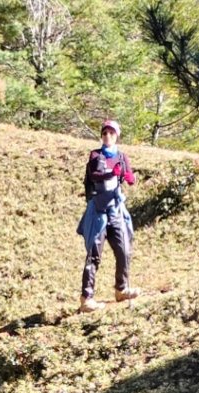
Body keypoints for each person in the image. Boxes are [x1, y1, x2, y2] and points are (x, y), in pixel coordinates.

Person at [76, 119, 139, 313]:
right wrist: (112, 173)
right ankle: (86, 298)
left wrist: (129, 177)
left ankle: (121, 289)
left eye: (111, 133)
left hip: (116, 209)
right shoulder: (95, 155)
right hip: (98, 211)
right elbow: (94, 175)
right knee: (94, 254)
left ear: (117, 135)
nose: (107, 136)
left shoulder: (122, 156)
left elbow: (129, 178)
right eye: (105, 133)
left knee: (124, 249)